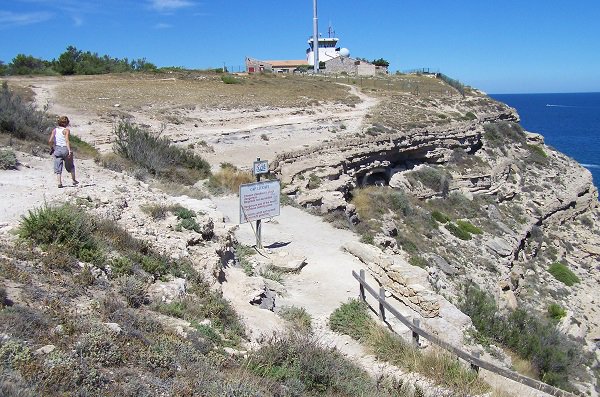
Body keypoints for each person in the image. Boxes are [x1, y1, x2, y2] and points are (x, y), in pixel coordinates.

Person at [48, 116, 78, 188]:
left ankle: (59, 182)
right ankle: (74, 180)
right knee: (70, 165)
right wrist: (69, 150)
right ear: (66, 123)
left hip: (57, 148)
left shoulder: (54, 130)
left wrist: (52, 147)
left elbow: (50, 141)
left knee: (58, 166)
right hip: (65, 149)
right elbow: (67, 140)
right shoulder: (66, 130)